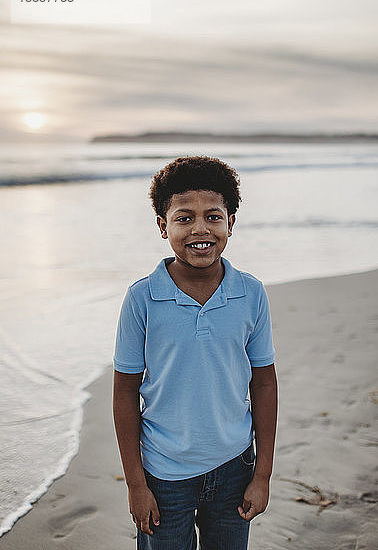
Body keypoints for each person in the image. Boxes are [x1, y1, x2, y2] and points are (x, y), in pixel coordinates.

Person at [113, 155, 278, 550]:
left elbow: (265, 383)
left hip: (235, 465)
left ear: (231, 224)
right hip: (163, 473)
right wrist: (137, 484)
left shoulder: (250, 293)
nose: (200, 229)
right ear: (162, 226)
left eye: (213, 217)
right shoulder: (142, 298)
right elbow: (124, 393)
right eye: (184, 218)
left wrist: (262, 475)